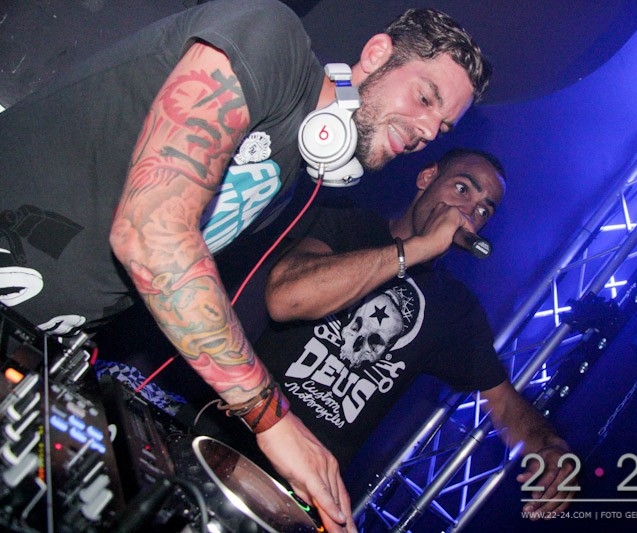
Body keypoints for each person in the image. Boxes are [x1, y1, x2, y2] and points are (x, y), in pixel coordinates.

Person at [0, 2, 491, 531]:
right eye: (424, 98)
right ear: (375, 55)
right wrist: (269, 416)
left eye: (442, 126)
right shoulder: (270, 36)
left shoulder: (286, 184)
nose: (426, 132)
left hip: (35, 343)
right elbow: (150, 231)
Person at [257, 148, 575, 520]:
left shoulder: (453, 307)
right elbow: (285, 298)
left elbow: (503, 402)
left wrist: (549, 445)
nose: (467, 213)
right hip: (233, 433)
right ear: (427, 178)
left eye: (483, 210)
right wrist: (416, 250)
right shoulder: (348, 222)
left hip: (307, 493)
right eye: (462, 189)